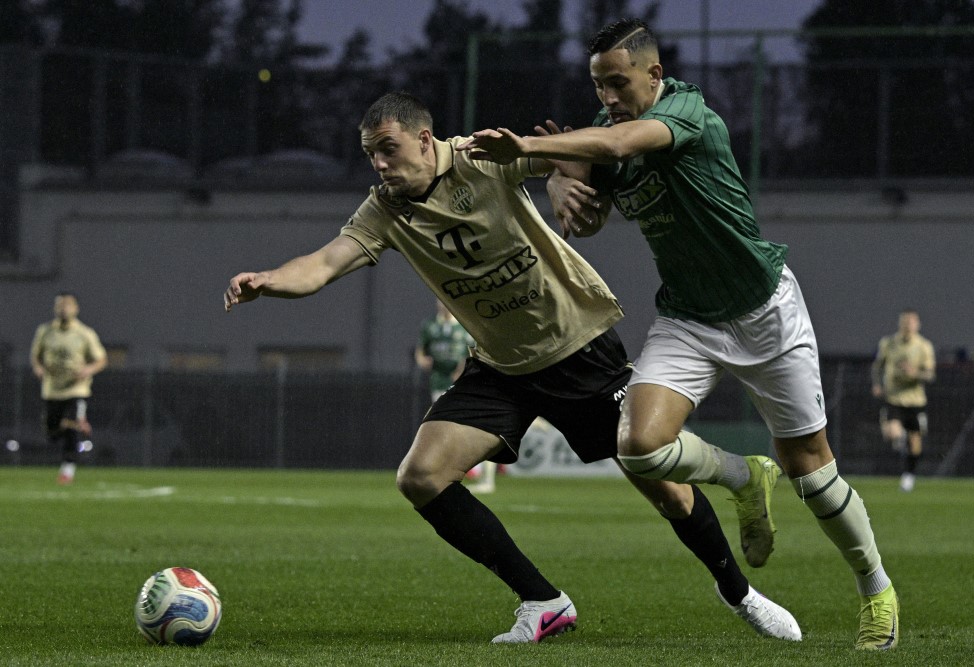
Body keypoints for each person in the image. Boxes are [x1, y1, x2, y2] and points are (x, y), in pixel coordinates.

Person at [225, 91, 800, 644]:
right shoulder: (385, 209)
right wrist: (269, 280)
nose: (379, 164)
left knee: (668, 494)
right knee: (420, 477)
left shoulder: (478, 156)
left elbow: (568, 154)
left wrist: (555, 173)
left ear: (425, 140)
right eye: (370, 154)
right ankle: (543, 601)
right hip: (500, 365)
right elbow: (325, 263)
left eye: (388, 149)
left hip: (577, 347)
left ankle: (739, 592)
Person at [459, 18, 899, 650]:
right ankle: (747, 478)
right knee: (638, 446)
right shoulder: (609, 129)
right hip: (689, 319)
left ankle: (875, 589)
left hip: (765, 310)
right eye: (598, 85)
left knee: (812, 470)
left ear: (654, 75)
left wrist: (534, 152)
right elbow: (588, 207)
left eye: (617, 82)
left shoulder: (688, 112)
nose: (608, 97)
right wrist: (559, 180)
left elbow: (613, 149)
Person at [414, 300, 497, 494]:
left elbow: (472, 353)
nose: (442, 306)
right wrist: (421, 360)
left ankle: (478, 473)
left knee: (473, 425)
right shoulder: (430, 326)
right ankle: (447, 468)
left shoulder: (464, 325)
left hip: (464, 382)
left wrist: (462, 370)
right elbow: (421, 349)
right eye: (439, 302)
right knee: (442, 426)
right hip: (439, 381)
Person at [30, 292, 107, 484]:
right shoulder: (45, 331)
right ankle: (77, 424)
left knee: (72, 427)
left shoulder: (84, 333)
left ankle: (67, 470)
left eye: (67, 305)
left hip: (76, 389)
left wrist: (88, 369)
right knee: (52, 431)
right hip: (52, 389)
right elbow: (35, 356)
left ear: (76, 308)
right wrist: (38, 368)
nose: (63, 309)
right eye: (60, 305)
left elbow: (101, 359)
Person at [871, 309, 935, 492]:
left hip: (915, 401)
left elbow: (930, 375)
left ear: (918, 324)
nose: (908, 326)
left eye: (911, 322)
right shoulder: (888, 343)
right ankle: (900, 436)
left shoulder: (924, 346)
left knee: (916, 445)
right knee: (892, 433)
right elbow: (877, 367)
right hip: (894, 398)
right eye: (905, 322)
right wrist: (876, 384)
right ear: (900, 324)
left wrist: (915, 373)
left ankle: (908, 476)